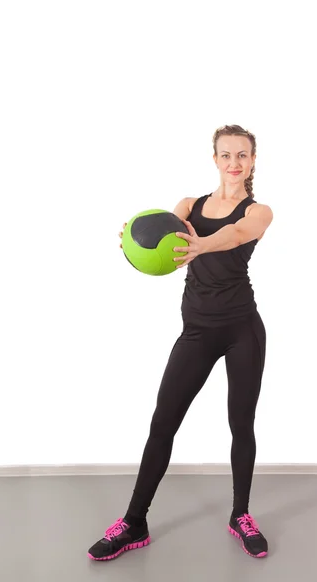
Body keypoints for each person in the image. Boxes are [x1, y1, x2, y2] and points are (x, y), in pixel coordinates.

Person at [88, 124, 274, 561]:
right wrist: (136, 241)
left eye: (242, 155)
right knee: (163, 422)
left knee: (241, 424)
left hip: (242, 329)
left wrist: (200, 244)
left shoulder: (258, 211)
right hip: (197, 332)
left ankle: (241, 515)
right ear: (214, 159)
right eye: (226, 155)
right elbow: (164, 244)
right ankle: (134, 522)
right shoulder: (188, 206)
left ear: (252, 161)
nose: (234, 163)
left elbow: (235, 236)